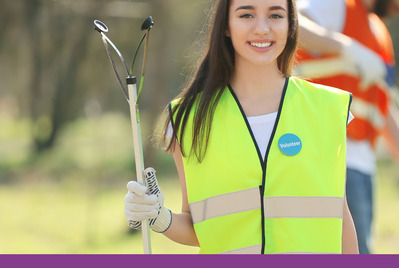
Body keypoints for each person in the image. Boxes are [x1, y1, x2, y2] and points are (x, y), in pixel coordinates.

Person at [124, 0, 359, 254]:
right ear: (226, 25)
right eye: (246, 15)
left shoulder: (329, 109)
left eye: (276, 16)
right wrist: (159, 217)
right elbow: (201, 227)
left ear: (291, 24)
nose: (261, 28)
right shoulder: (188, 119)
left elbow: (340, 217)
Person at [295, 0, 399, 254]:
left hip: (363, 166)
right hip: (332, 158)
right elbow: (289, 24)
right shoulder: (336, 5)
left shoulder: (377, 30)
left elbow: (380, 108)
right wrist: (346, 47)